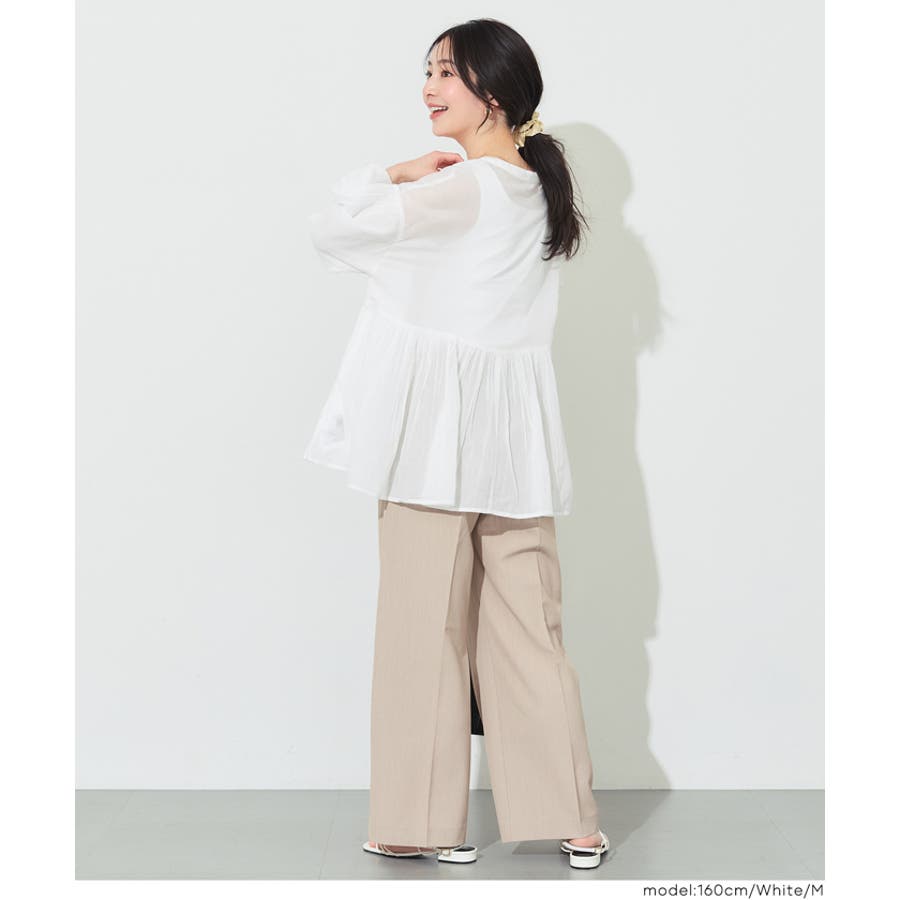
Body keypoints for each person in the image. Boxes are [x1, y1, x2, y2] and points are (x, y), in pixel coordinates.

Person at [304, 18, 610, 871]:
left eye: (448, 72)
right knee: (530, 629)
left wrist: (391, 174)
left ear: (494, 93)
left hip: (434, 445)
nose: (430, 87)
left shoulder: (467, 187)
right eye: (429, 70)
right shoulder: (536, 190)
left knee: (422, 627)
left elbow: (335, 231)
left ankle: (417, 822)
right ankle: (574, 821)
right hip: (516, 447)